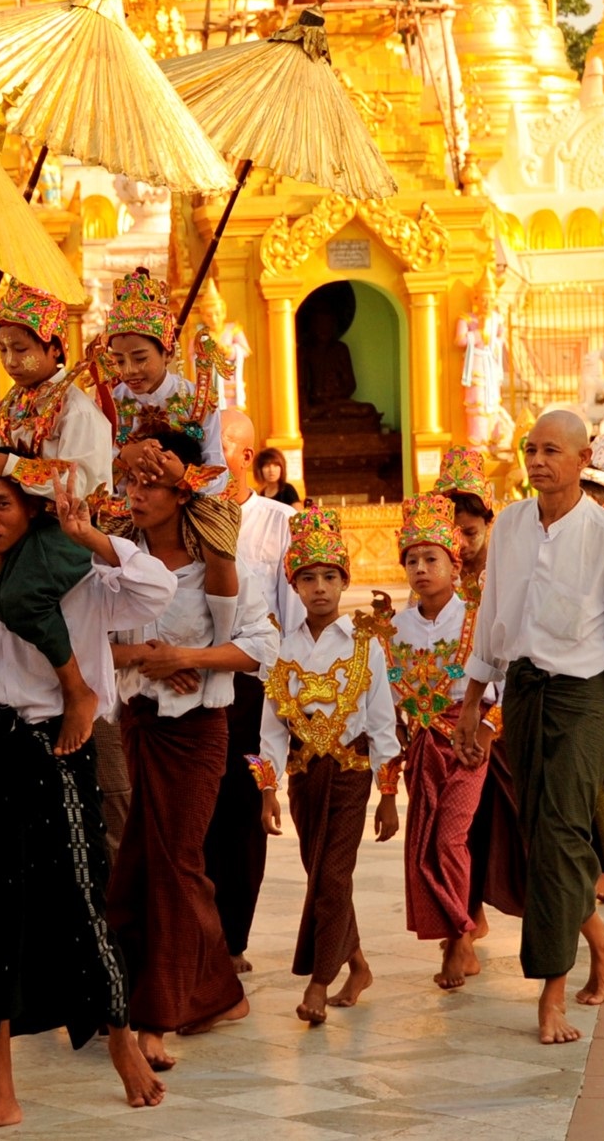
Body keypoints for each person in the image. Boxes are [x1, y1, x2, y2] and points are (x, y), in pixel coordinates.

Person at [0, 465, 176, 1135]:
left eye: (1, 505)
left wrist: (94, 538)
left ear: (31, 510)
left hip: (63, 742)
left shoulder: (79, 576)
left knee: (81, 898)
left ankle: (121, 1040)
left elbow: (155, 589)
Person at [452, 411, 604, 1046]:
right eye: (530, 449)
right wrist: (472, 698)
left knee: (563, 831)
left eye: (551, 451)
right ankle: (601, 937)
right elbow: (493, 614)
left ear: (582, 458)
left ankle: (551, 992)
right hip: (524, 689)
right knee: (538, 829)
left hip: (583, 693)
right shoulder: (511, 525)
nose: (538, 461)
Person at [107, 428, 268, 1071]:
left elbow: (257, 648)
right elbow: (87, 642)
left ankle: (157, 1017)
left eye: (150, 481)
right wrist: (149, 659)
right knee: (140, 863)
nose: (136, 493)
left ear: (184, 488)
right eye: (129, 481)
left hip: (199, 732)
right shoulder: (115, 561)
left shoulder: (220, 567)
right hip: (135, 726)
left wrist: (190, 658)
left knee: (175, 861)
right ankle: (216, 992)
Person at [0, 278, 111, 778]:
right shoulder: (6, 411)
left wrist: (7, 466)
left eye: (23, 348)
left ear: (56, 347)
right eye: (4, 349)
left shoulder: (78, 409)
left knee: (15, 598)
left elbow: (79, 480)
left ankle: (77, 689)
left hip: (70, 526)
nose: (12, 359)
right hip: (19, 520)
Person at [251, 504, 399, 1027]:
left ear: (344, 582)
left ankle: (319, 981)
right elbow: (270, 729)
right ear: (294, 585)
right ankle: (357, 965)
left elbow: (383, 722)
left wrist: (388, 795)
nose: (319, 588)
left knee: (334, 876)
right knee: (320, 873)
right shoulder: (282, 651)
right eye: (308, 578)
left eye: (329, 577)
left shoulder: (365, 646)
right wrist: (268, 790)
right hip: (304, 777)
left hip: (353, 772)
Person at [206, 409, 304, 973]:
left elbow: (292, 619)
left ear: (245, 457)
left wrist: (291, 707)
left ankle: (232, 939)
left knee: (243, 812)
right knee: (194, 811)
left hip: (255, 690)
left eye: (216, 449)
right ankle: (198, 930)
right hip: (195, 679)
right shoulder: (186, 516)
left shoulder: (278, 521)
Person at [379, 493, 489, 991]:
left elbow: (503, 687)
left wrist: (486, 731)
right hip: (420, 746)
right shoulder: (393, 629)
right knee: (422, 846)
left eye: (432, 559)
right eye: (412, 561)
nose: (421, 570)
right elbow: (385, 710)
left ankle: (460, 938)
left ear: (454, 561)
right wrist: (386, 781)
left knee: (450, 840)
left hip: (466, 746)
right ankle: (453, 934)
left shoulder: (476, 618)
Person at [99, 268, 241, 650]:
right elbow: (94, 464)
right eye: (119, 360)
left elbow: (219, 472)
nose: (129, 371)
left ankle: (224, 638)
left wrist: (183, 477)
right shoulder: (107, 405)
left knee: (220, 548)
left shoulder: (198, 400)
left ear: (168, 351)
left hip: (188, 501)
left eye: (140, 358)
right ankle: (111, 645)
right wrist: (124, 454)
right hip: (128, 502)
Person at [434, 445, 521, 949]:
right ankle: (463, 925)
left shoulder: (507, 576)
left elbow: (516, 659)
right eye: (452, 534)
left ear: (489, 521)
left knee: (509, 829)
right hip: (449, 726)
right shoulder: (436, 578)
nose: (460, 545)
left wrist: (493, 722)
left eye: (469, 532)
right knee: (453, 831)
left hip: (500, 723)